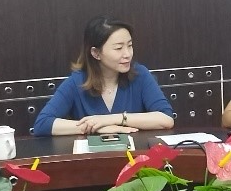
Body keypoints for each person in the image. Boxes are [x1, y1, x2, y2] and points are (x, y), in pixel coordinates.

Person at [32, 16, 175, 136]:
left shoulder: (140, 75)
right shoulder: (77, 82)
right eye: (118, 48)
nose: (127, 54)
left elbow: (166, 119)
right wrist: (96, 127)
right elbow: (42, 124)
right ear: (96, 53)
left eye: (130, 45)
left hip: (135, 157)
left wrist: (113, 119)